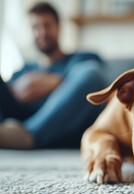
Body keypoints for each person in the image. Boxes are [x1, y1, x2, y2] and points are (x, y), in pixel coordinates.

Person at [0, 2, 107, 149]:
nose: (42, 32)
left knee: (91, 72)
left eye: (47, 25)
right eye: (36, 27)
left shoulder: (82, 58)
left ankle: (30, 135)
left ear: (58, 27)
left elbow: (93, 80)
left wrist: (55, 81)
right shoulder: (23, 71)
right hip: (16, 120)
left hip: (61, 130)